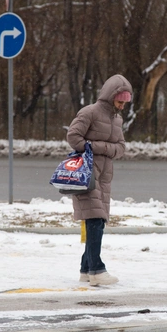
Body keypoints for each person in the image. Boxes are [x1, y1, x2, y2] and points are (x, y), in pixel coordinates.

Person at [66, 74, 133, 286]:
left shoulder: (117, 119)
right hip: (86, 172)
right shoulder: (90, 112)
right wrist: (97, 148)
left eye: (125, 103)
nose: (122, 106)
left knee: (98, 219)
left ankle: (86, 269)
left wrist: (101, 148)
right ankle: (97, 269)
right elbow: (73, 137)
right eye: (119, 101)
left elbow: (121, 148)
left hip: (104, 177)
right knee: (94, 219)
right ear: (110, 96)